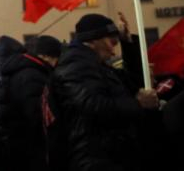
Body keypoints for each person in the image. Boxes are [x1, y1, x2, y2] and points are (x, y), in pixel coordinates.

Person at [47, 13, 159, 170]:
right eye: (110, 41)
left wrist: (126, 42)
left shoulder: (97, 65)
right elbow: (93, 104)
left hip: (110, 154)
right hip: (94, 159)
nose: (113, 50)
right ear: (93, 39)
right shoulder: (74, 65)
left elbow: (134, 82)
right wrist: (138, 103)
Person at [0, 35, 62, 171]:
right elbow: (39, 117)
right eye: (56, 59)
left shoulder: (17, 71)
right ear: (47, 57)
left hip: (13, 148)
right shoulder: (33, 75)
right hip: (29, 149)